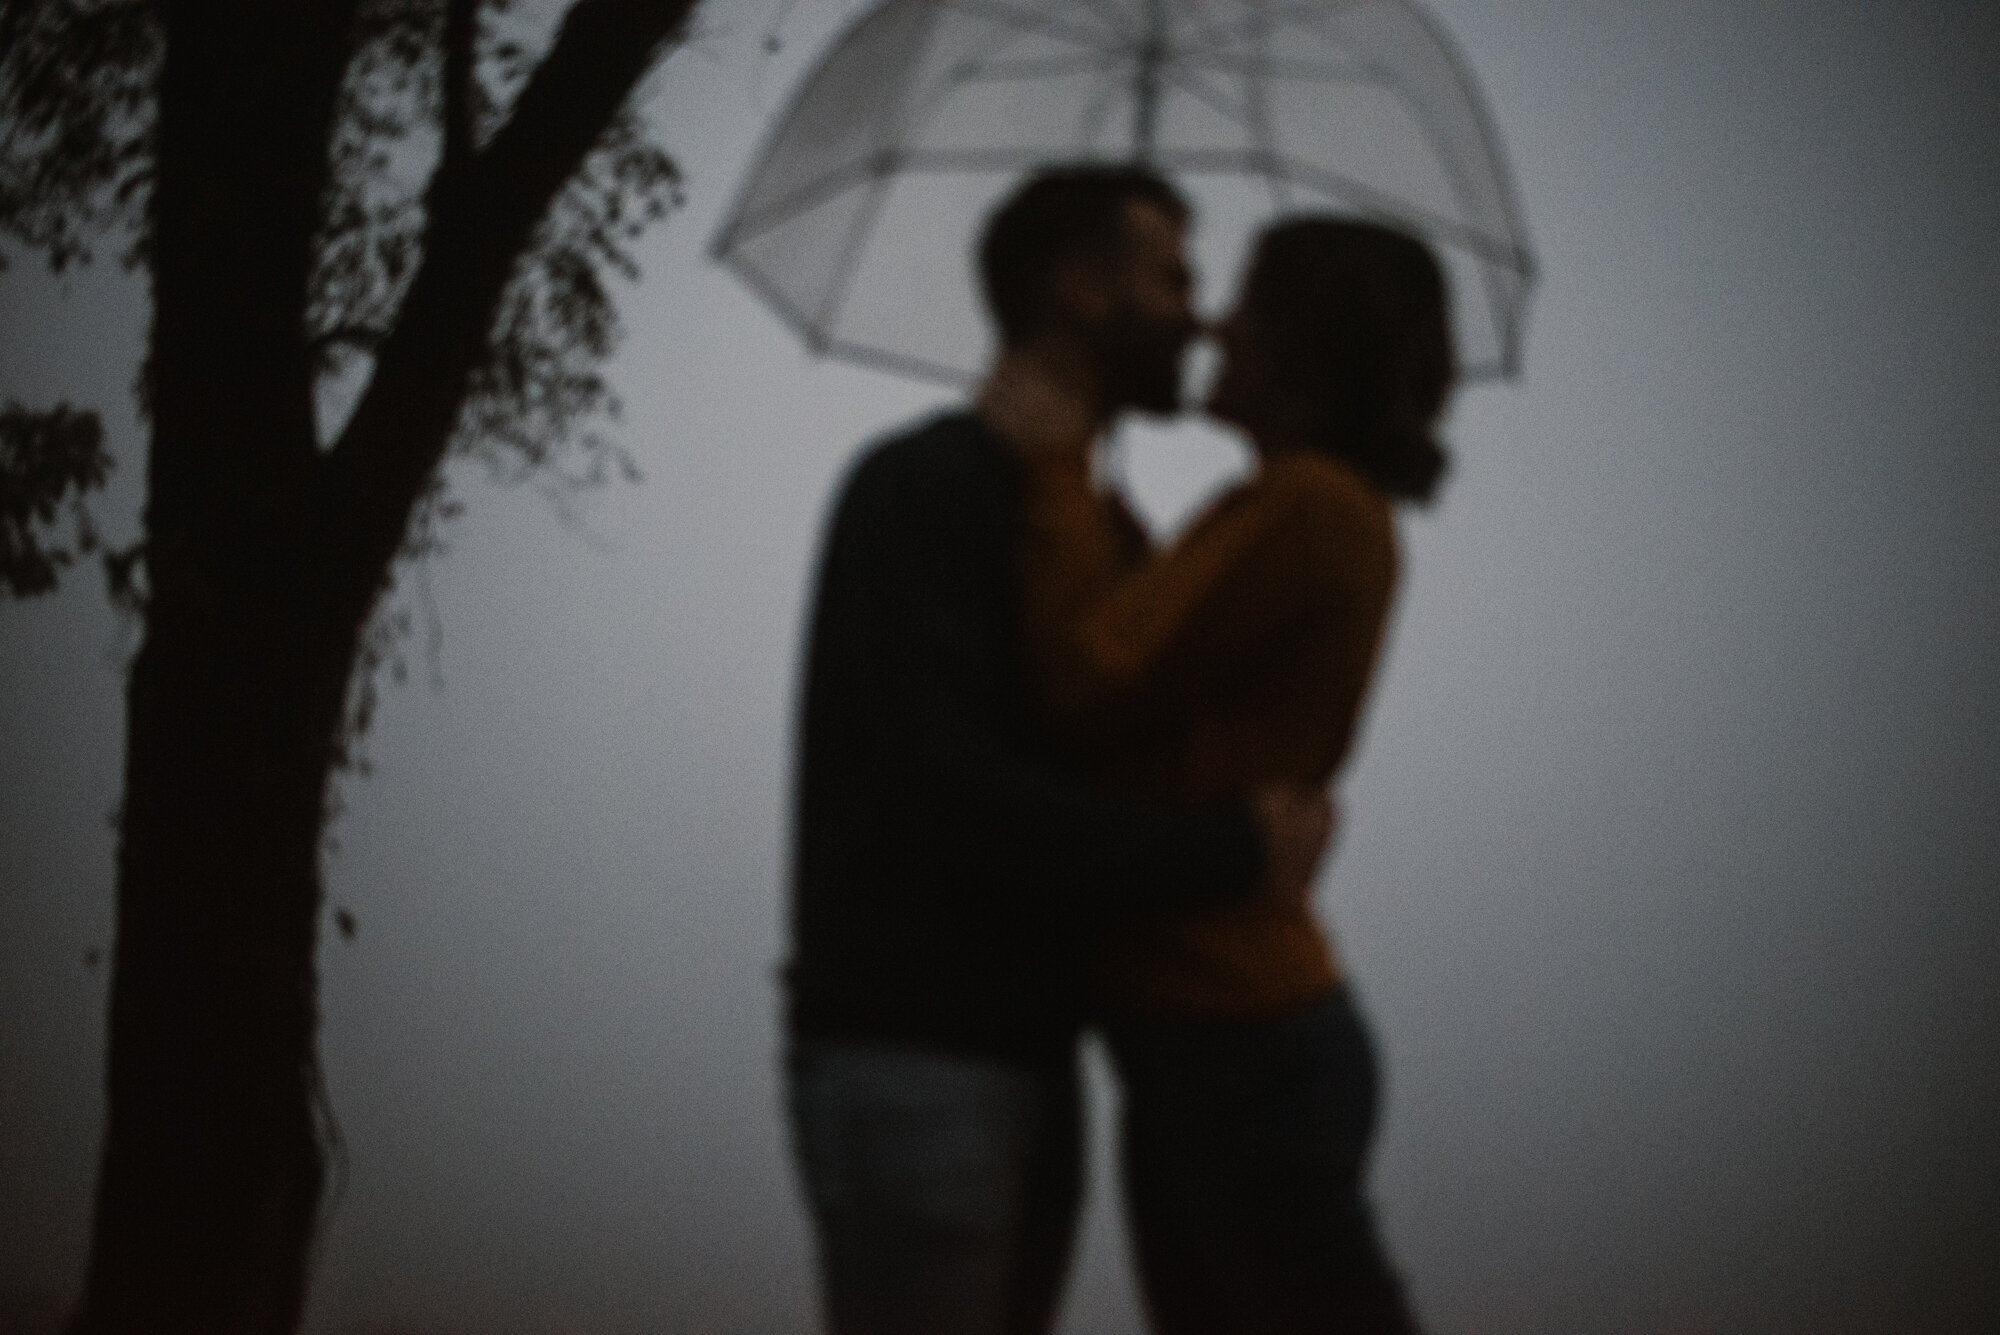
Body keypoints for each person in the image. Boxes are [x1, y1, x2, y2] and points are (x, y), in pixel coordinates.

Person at [785, 166, 1337, 1335]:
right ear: (1082, 291)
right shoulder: (922, 490)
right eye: (1171, 276)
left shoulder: (1092, 534)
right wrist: (1229, 850)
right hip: (919, 1059)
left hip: (1031, 1063)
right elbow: (959, 800)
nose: (1197, 312)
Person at [1008, 218, 1456, 1334]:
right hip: (1213, 1029)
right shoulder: (1308, 512)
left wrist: (1055, 462)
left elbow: (1084, 681)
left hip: (1231, 1030)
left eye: (1247, 303)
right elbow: (1178, 707)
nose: (1216, 322)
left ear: (1308, 344)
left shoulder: (1304, 507)